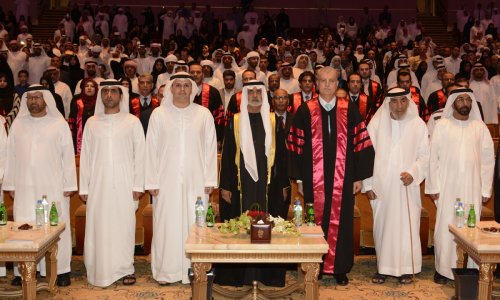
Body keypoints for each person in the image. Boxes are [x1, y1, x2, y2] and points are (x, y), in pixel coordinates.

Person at [288, 67, 375, 285]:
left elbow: (361, 144)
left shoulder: (350, 109)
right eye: (323, 81)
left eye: (331, 81)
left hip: (343, 178)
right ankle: (312, 267)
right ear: (316, 83)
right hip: (311, 177)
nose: (327, 85)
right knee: (313, 221)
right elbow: (294, 146)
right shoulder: (305, 110)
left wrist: (358, 178)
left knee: (342, 221)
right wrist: (298, 178)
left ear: (338, 84)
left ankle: (339, 268)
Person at [145, 72, 217, 285]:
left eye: (187, 85)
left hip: (197, 180)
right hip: (165, 180)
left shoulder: (204, 114)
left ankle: (196, 271)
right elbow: (151, 149)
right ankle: (166, 272)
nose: (183, 89)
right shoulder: (158, 114)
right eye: (178, 85)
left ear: (193, 89)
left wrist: (209, 180)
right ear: (171, 88)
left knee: (196, 224)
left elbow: (210, 149)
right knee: (166, 224)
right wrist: (151, 181)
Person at [3, 84, 77, 286]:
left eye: (37, 97)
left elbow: (68, 156)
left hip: (52, 184)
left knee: (55, 225)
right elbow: (10, 156)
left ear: (46, 99)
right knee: (24, 225)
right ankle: (24, 271)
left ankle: (61, 270)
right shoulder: (18, 124)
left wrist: (69, 183)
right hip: (24, 184)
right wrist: (10, 183)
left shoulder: (58, 123)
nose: (33, 101)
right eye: (30, 98)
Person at [218, 80, 285, 287]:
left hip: (268, 184)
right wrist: (226, 185)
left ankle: (267, 275)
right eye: (251, 91)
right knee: (240, 223)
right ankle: (239, 276)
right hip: (241, 184)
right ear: (245, 94)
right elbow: (228, 155)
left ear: (264, 95)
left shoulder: (274, 121)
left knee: (268, 223)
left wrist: (283, 184)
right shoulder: (235, 121)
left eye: (259, 91)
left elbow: (282, 156)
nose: (255, 94)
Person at [79, 79, 145, 287]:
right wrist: (84, 187)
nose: (108, 95)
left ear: (121, 95)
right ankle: (99, 268)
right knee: (99, 225)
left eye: (113, 91)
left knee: (124, 225)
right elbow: (86, 157)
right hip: (98, 183)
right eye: (105, 91)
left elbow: (140, 156)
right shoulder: (92, 122)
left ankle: (125, 268)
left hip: (125, 182)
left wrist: (137, 185)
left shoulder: (132, 122)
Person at [426, 88, 494, 284]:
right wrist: (433, 187)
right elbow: (433, 159)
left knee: (470, 226)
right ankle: (443, 270)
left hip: (472, 188)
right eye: (460, 99)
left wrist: (485, 190)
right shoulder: (443, 126)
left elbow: (488, 160)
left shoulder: (479, 128)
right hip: (447, 188)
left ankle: (469, 270)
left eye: (468, 99)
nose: (465, 102)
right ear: (453, 102)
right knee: (446, 227)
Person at [363, 88, 429, 285]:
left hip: (406, 187)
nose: (399, 106)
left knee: (406, 227)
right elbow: (366, 155)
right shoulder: (376, 124)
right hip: (381, 186)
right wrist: (368, 184)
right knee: (382, 228)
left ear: (408, 102)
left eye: (403, 101)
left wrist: (414, 172)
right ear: (388, 104)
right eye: (394, 102)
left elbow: (425, 155)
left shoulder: (418, 125)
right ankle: (383, 268)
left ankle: (406, 270)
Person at [189, 63, 225, 142]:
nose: (195, 74)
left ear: (203, 75)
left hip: (207, 137)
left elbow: (219, 117)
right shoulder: (182, 92)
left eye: (198, 72)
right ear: (188, 74)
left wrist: (218, 139)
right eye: (192, 72)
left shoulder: (213, 92)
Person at [68, 79, 98, 154]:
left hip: (96, 138)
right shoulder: (78, 103)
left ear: (96, 89)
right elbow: (71, 123)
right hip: (80, 139)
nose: (89, 88)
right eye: (87, 86)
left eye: (92, 86)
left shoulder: (99, 104)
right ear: (83, 89)